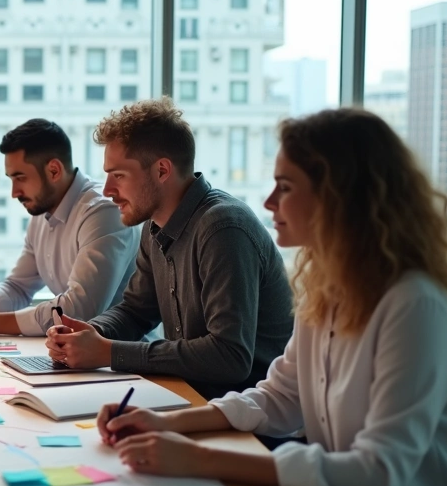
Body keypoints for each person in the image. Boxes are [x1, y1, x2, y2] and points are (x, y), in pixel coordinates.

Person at [95, 109, 447, 486]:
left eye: (285, 187)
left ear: (340, 194)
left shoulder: (413, 303)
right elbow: (279, 395)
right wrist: (167, 422)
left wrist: (197, 458)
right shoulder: (328, 288)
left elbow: (379, 475)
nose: (268, 202)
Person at [46, 98, 294, 399]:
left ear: (162, 170)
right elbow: (137, 312)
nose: (108, 190)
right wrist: (87, 334)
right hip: (195, 397)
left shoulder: (223, 227)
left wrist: (110, 352)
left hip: (250, 417)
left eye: (119, 175)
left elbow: (230, 357)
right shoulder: (155, 226)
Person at [0, 119, 139, 337]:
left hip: (121, 359)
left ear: (54, 171)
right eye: (11, 179)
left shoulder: (102, 212)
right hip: (75, 355)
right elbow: (18, 286)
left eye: (20, 178)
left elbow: (80, 310)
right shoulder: (42, 210)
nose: (14, 192)